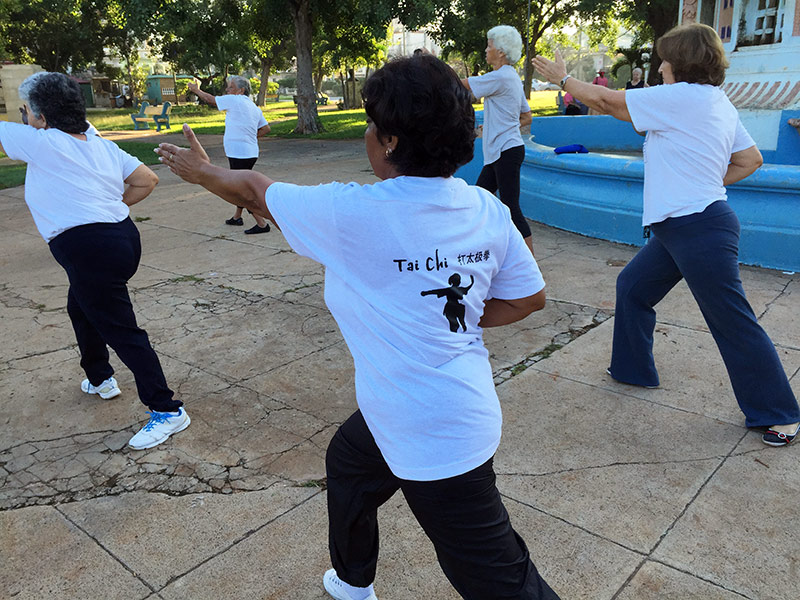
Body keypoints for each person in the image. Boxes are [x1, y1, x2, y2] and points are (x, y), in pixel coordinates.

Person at [157, 54, 560, 600]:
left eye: (371, 124)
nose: (367, 134)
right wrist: (449, 316)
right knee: (348, 464)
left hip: (435, 433)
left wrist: (202, 173)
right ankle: (352, 580)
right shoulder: (486, 207)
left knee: (503, 582)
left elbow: (255, 191)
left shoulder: (354, 214)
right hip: (415, 406)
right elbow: (529, 297)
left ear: (390, 140)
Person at [532, 23, 800, 447]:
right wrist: (706, 178)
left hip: (698, 227)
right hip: (686, 225)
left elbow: (605, 99)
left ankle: (782, 415)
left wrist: (563, 79)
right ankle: (633, 370)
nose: (660, 65)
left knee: (732, 321)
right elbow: (751, 159)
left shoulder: (681, 96)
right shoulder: (715, 101)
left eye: (665, 58)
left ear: (680, 62)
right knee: (633, 287)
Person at [0, 72, 190, 450]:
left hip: (91, 250)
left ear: (40, 114)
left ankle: (167, 410)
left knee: (123, 331)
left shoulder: (42, 141)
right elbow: (147, 180)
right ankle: (99, 376)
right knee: (80, 307)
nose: (23, 117)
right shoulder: (99, 144)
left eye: (26, 110)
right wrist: (108, 208)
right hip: (121, 239)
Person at [460, 25, 535, 254]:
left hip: (506, 151)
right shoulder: (511, 77)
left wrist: (431, 69)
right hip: (502, 151)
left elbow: (461, 86)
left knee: (510, 208)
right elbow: (526, 116)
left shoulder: (500, 77)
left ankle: (530, 266)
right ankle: (481, 252)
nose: (486, 49)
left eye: (489, 45)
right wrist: (496, 126)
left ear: (501, 51)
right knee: (480, 203)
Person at [188, 76, 271, 234]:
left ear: (241, 91)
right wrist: (251, 137)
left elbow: (209, 99)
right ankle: (237, 217)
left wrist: (195, 90)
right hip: (250, 152)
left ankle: (262, 224)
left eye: (230, 87)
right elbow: (266, 128)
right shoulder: (253, 107)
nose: (227, 90)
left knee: (239, 190)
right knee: (239, 184)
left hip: (239, 154)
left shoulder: (236, 100)